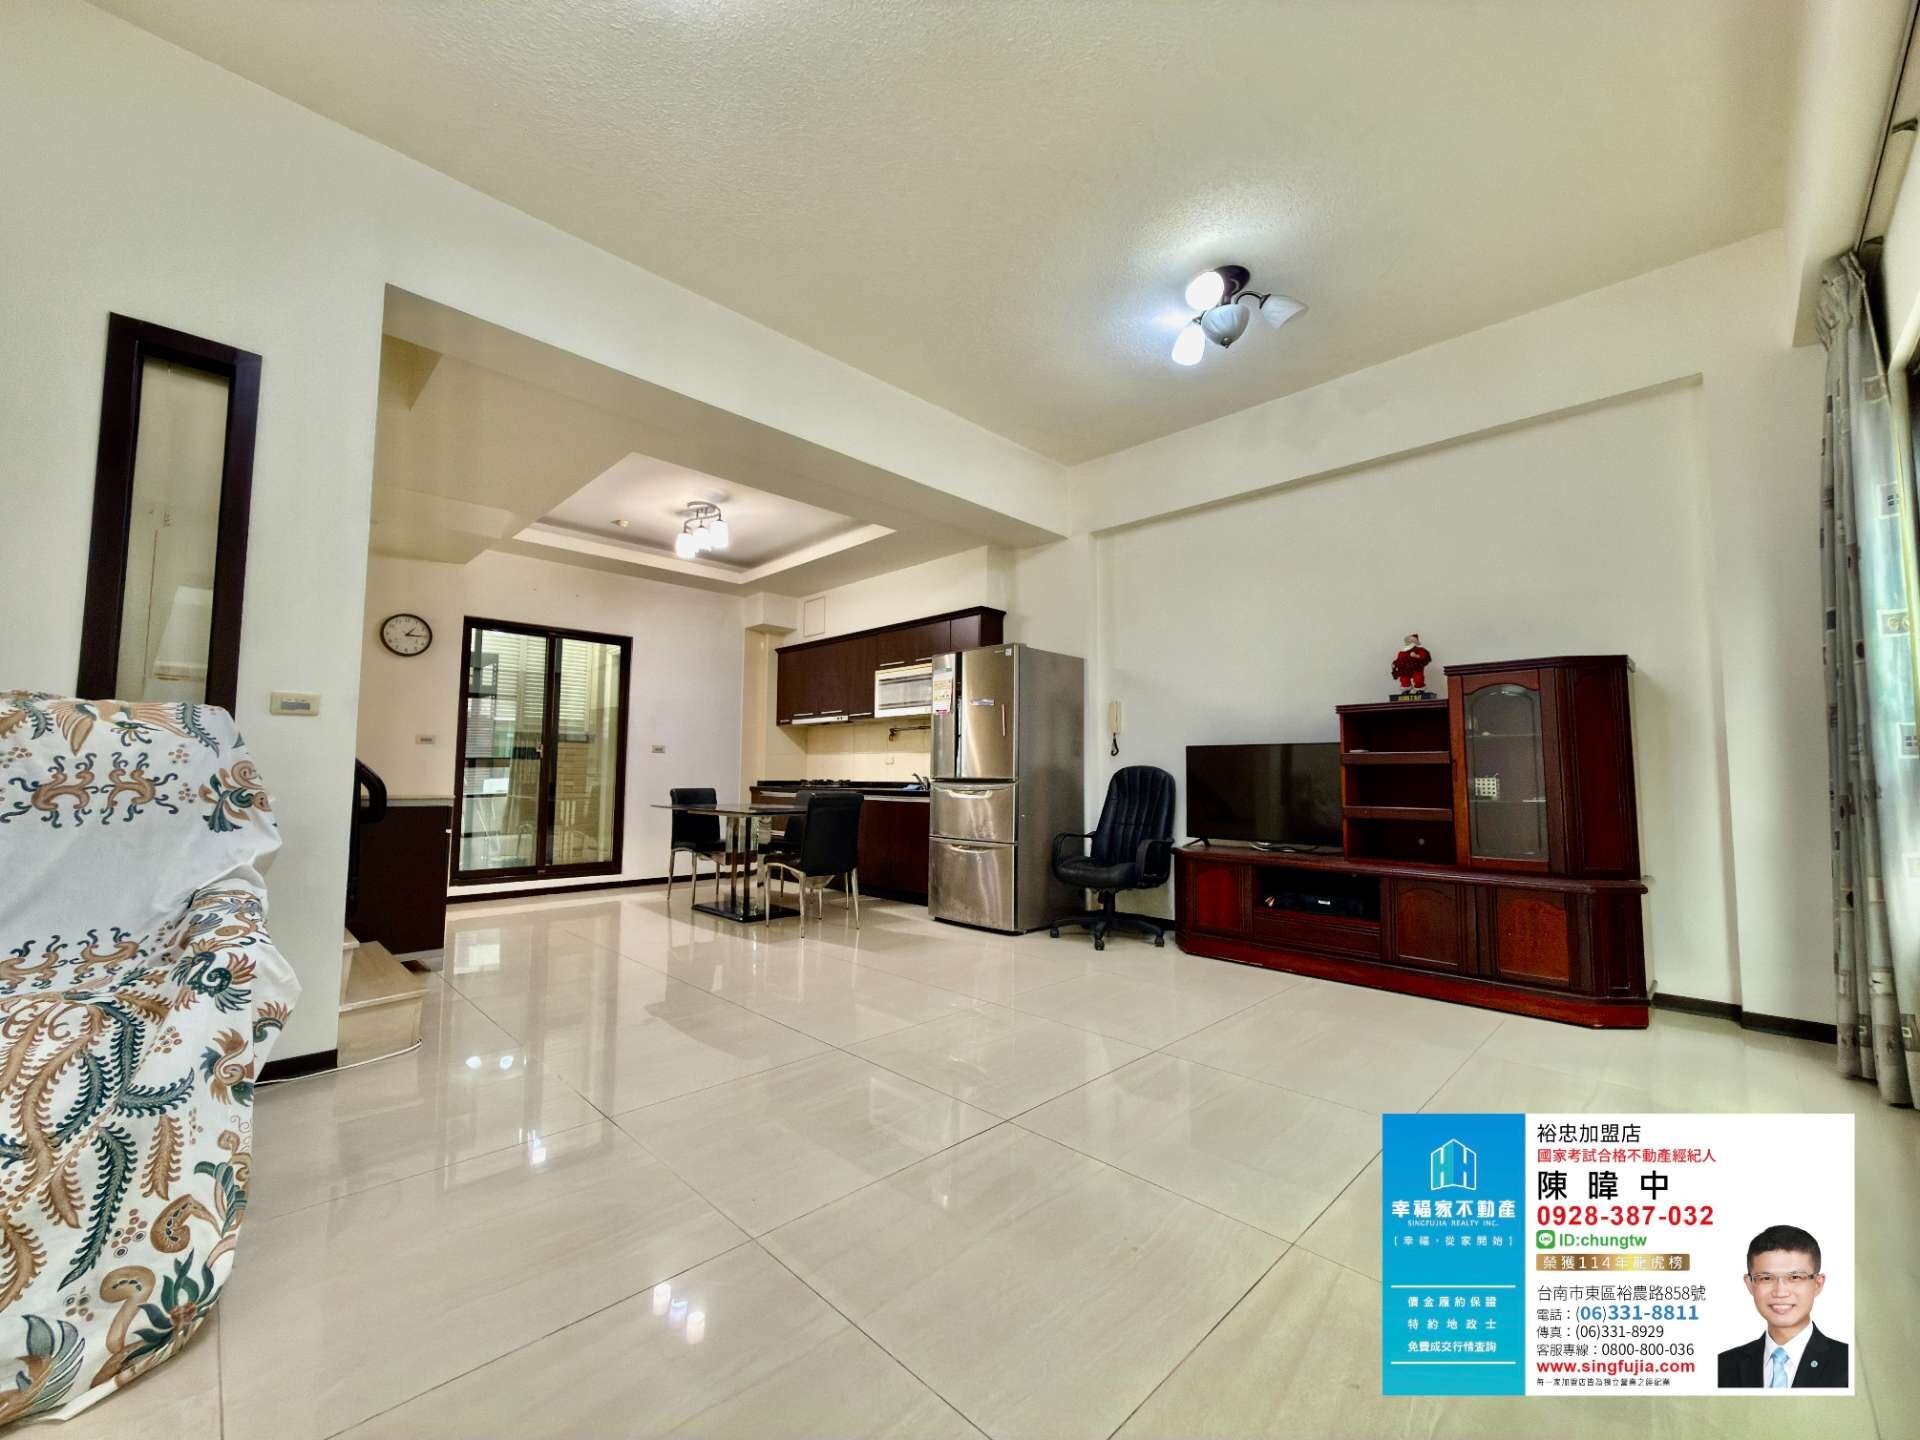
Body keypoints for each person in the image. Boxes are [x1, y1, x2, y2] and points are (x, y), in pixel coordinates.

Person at [1716, 1224, 1849, 1388]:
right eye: (1766, 1278)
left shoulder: (1850, 1363)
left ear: (1818, 1284)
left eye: (1795, 1277)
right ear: (1750, 1284)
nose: (1780, 1292)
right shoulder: (1723, 1366)